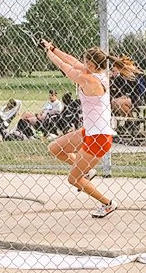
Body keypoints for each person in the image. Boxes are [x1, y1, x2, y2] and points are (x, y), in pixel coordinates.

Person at [43, 41, 139, 217]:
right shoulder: (96, 72)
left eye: (85, 61)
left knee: (73, 179)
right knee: (55, 149)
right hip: (89, 131)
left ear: (92, 64)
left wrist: (48, 53)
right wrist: (54, 48)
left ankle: (108, 203)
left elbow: (65, 66)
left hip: (100, 137)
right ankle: (88, 170)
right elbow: (70, 60)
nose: (82, 63)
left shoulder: (90, 79)